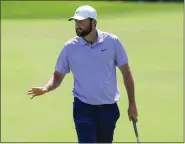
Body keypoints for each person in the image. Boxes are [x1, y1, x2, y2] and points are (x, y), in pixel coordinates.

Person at [27, 5, 138, 143]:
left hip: (109, 109)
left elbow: (126, 74)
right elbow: (58, 76)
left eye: (82, 22)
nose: (78, 26)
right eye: (76, 22)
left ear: (94, 23)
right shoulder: (70, 47)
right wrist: (45, 88)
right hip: (83, 108)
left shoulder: (112, 42)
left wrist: (132, 104)